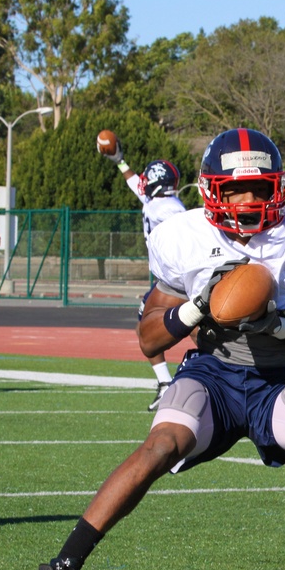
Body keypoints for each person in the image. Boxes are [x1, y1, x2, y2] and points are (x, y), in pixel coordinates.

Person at [36, 127, 285, 570]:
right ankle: (62, 569)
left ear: (278, 187)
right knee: (161, 445)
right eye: (236, 189)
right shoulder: (184, 236)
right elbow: (150, 337)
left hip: (276, 379)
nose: (248, 200)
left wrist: (279, 325)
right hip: (211, 374)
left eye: (259, 187)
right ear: (211, 190)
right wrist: (197, 306)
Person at [100, 137, 187, 410]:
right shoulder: (155, 200)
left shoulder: (170, 208)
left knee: (158, 327)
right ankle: (166, 383)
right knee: (146, 326)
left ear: (157, 183)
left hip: (177, 278)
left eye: (148, 180)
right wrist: (119, 161)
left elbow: (186, 232)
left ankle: (178, 380)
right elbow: (134, 182)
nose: (144, 184)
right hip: (168, 279)